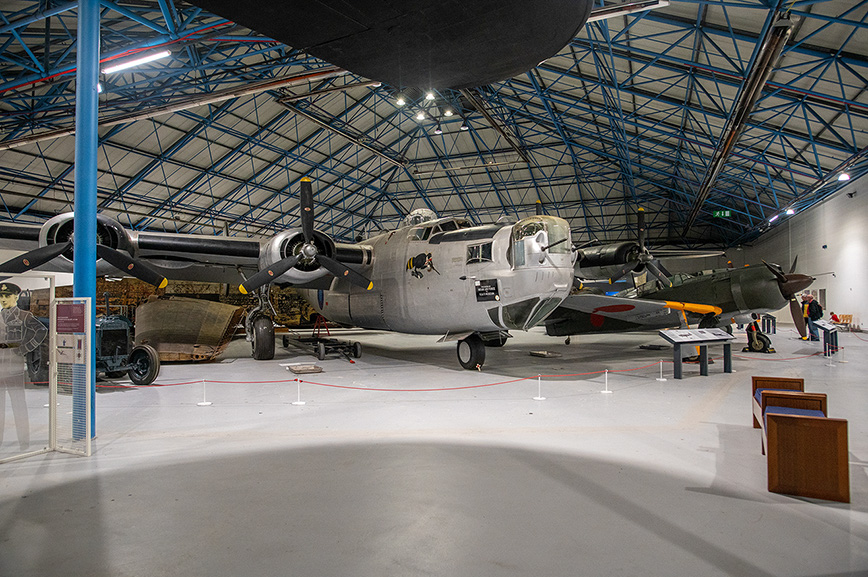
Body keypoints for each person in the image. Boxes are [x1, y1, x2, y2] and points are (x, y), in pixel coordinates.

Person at [0, 283, 48, 451]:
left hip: (14, 370)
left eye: (7, 295)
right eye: (1, 296)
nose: (3, 299)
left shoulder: (24, 316)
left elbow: (41, 331)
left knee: (19, 407)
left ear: (16, 296)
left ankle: (24, 443)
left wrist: (23, 349)